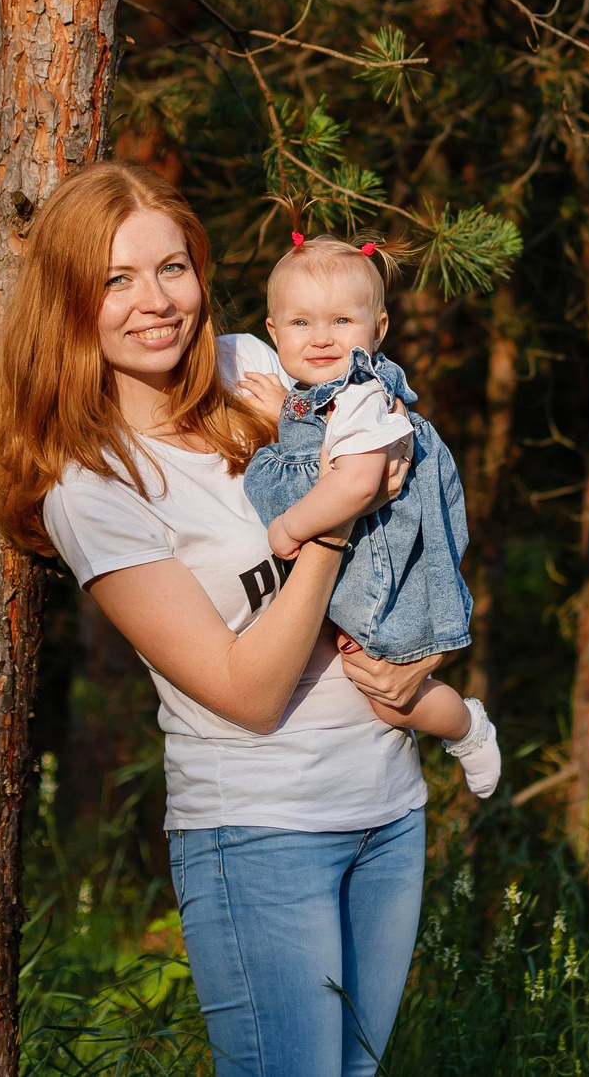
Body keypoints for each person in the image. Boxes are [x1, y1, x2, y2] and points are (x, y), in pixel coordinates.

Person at [0, 161, 441, 1077]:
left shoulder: (257, 362)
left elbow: (412, 486)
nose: (154, 302)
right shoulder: (94, 489)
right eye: (115, 279)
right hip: (264, 834)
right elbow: (249, 688)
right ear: (71, 301)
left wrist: (420, 657)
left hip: (388, 805)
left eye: (172, 268)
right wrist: (334, 517)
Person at [234, 232, 501, 797]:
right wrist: (283, 411)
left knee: (392, 703)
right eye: (301, 324)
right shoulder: (315, 395)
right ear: (273, 332)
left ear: (378, 330)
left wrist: (289, 526)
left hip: (382, 577)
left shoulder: (360, 394)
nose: (322, 338)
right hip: (356, 571)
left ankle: (467, 728)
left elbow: (356, 485)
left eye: (341, 322)